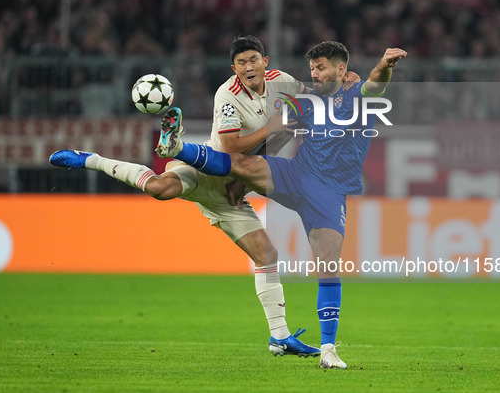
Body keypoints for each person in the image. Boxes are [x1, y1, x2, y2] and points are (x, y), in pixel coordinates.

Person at [50, 36, 359, 359]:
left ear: (265, 62)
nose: (248, 67)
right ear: (233, 68)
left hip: (234, 189)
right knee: (160, 188)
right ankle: (94, 159)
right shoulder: (227, 95)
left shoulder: (283, 83)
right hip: (210, 170)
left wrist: (344, 82)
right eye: (241, 62)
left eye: (253, 59)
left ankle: (280, 337)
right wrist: (272, 127)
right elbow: (232, 150)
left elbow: (315, 105)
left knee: (266, 254)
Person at [155, 41, 408, 369]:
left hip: (329, 194)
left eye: (322, 68)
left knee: (328, 265)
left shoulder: (356, 93)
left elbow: (376, 83)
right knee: (242, 163)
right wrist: (244, 178)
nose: (315, 74)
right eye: (313, 68)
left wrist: (385, 64)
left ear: (341, 70)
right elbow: (273, 138)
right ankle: (177, 147)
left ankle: (329, 349)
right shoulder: (305, 100)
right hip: (296, 174)